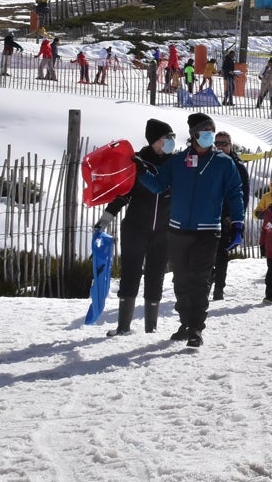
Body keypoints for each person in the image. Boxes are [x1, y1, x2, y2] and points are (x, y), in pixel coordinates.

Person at [134, 112, 245, 348]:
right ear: (194, 135)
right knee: (181, 280)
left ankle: (196, 328)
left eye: (211, 133)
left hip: (208, 230)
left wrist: (238, 223)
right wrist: (141, 172)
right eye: (205, 133)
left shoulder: (224, 163)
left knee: (200, 280)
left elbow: (235, 193)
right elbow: (158, 185)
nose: (209, 137)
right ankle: (185, 322)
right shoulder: (178, 161)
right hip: (177, 230)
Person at [95, 119, 177, 336]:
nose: (171, 142)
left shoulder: (175, 164)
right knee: (130, 273)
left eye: (172, 138)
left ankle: (151, 328)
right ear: (154, 141)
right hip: (135, 228)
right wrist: (105, 219)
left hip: (163, 231)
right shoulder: (137, 164)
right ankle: (123, 327)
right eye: (166, 138)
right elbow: (122, 194)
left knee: (156, 275)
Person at [211, 131, 250, 301]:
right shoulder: (211, 162)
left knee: (221, 254)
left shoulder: (237, 166)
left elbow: (244, 195)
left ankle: (218, 288)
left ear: (230, 145)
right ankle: (207, 280)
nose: (220, 147)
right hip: (210, 215)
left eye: (224, 143)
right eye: (217, 143)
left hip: (227, 217)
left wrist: (236, 219)